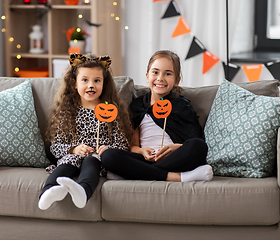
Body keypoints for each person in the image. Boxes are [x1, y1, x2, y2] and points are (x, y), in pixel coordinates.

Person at [38, 53, 133, 210]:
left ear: (104, 84)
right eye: (85, 80)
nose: (91, 85)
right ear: (75, 83)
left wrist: (108, 149)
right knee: (66, 163)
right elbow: (55, 147)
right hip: (73, 156)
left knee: (91, 161)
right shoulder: (68, 112)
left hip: (97, 159)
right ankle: (48, 192)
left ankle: (83, 192)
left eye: (97, 81)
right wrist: (74, 149)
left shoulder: (111, 112)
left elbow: (123, 144)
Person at [101, 50, 213, 182]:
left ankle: (138, 172)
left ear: (177, 80)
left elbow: (194, 141)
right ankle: (174, 177)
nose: (160, 78)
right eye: (155, 72)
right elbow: (133, 146)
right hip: (145, 159)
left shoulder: (181, 105)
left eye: (168, 73)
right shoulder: (138, 106)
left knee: (199, 146)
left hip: (173, 159)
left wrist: (173, 148)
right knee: (108, 155)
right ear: (147, 76)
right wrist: (142, 151)